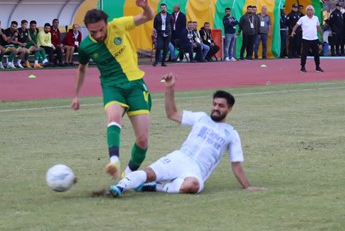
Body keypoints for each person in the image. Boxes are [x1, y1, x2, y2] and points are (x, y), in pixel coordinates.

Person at [107, 73, 265, 197]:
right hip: (179, 158)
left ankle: (157, 187)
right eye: (214, 104)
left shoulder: (232, 133)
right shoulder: (201, 117)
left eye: (221, 106)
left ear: (229, 109)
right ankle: (120, 187)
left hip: (196, 171)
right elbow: (172, 114)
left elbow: (236, 164)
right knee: (148, 173)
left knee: (193, 186)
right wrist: (170, 89)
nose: (216, 108)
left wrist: (247, 186)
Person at [71, 0, 155, 179]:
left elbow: (148, 17)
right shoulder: (86, 47)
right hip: (111, 86)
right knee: (114, 116)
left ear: (107, 23)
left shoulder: (119, 25)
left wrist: (145, 6)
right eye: (93, 32)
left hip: (135, 85)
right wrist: (76, 95)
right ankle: (114, 161)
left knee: (142, 140)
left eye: (101, 30)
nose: (99, 35)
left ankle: (128, 176)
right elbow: (81, 68)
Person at [291, 4, 324, 72]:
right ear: (306, 11)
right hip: (306, 39)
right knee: (304, 54)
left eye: (311, 10)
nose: (309, 11)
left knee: (316, 54)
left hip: (314, 38)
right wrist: (293, 31)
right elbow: (296, 25)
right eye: (308, 10)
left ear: (313, 11)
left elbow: (318, 27)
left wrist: (322, 35)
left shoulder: (316, 18)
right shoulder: (302, 18)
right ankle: (302, 67)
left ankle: (317, 66)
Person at [152, 3, 173, 67]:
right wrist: (159, 30)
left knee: (166, 48)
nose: (163, 9)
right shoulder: (157, 16)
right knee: (158, 47)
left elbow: (171, 24)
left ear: (166, 8)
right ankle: (156, 61)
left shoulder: (170, 16)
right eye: (162, 8)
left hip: (167, 33)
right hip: (160, 33)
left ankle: (163, 62)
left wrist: (169, 31)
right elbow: (155, 25)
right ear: (160, 8)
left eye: (164, 8)